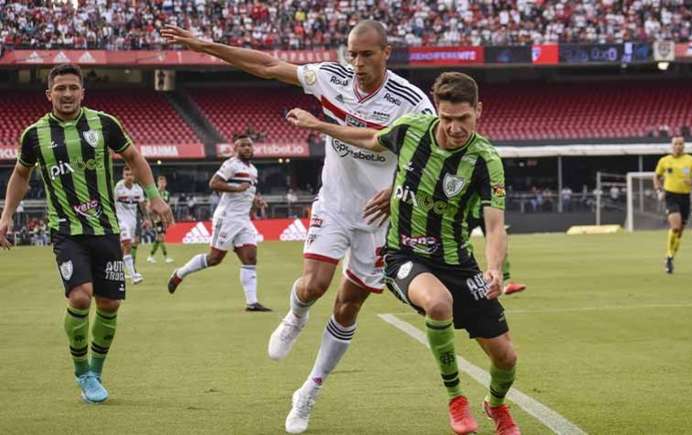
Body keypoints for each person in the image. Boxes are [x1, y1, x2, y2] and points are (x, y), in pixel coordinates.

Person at [163, 20, 436, 434]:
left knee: (348, 307)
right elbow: (269, 66)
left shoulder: (411, 102)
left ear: (386, 53)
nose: (357, 62)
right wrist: (206, 45)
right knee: (312, 286)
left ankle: (308, 390)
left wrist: (399, 187)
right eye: (352, 53)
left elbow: (432, 158)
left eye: (366, 54)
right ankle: (295, 316)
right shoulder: (331, 77)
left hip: (379, 218)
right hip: (335, 204)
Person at [287, 71, 520, 435]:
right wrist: (321, 125)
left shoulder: (486, 161)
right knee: (438, 303)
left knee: (506, 357)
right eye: (447, 119)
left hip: (458, 261)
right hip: (405, 256)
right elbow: (368, 138)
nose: (456, 128)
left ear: (479, 111)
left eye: (464, 119)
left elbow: (493, 226)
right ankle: (456, 398)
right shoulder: (412, 128)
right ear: (437, 112)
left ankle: (496, 405)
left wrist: (492, 269)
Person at [0, 63, 173, 403]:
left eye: (72, 88)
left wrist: (154, 197)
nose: (66, 94)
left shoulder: (104, 123)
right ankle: (82, 373)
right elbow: (21, 175)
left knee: (109, 304)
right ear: (49, 94)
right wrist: (6, 214)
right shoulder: (34, 135)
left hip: (106, 227)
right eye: (60, 88)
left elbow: (135, 157)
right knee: (80, 296)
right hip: (66, 230)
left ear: (83, 92)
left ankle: (95, 370)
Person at [168, 135, 271, 312]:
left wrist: (256, 201)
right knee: (214, 258)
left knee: (250, 257)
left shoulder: (253, 170)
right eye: (243, 145)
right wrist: (235, 188)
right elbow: (214, 183)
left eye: (250, 146)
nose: (247, 148)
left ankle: (252, 302)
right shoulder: (231, 165)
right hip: (227, 218)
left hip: (243, 220)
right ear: (235, 149)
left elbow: (247, 192)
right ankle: (180, 273)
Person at [653, 136, 692, 274]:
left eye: (681, 144)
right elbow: (656, 176)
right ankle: (669, 257)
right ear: (672, 145)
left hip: (685, 197)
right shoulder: (664, 161)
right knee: (675, 227)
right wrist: (659, 190)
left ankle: (670, 257)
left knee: (680, 233)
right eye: (676, 143)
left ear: (684, 145)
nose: (678, 146)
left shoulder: (691, 160)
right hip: (670, 196)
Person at [114, 166, 148, 284]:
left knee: (123, 247)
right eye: (126, 174)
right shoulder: (118, 187)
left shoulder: (138, 190)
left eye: (131, 174)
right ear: (123, 176)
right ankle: (134, 275)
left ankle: (116, 268)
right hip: (120, 220)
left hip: (132, 221)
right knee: (128, 245)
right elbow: (111, 203)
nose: (128, 177)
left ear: (134, 176)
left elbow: (142, 205)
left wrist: (146, 218)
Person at [147, 175, 174, 263]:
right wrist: (151, 218)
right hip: (157, 218)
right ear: (157, 183)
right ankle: (166, 257)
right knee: (161, 237)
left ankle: (151, 256)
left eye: (163, 182)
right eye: (160, 182)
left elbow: (168, 207)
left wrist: (171, 218)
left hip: (164, 219)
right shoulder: (155, 193)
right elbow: (149, 205)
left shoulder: (167, 194)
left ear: (165, 184)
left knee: (159, 238)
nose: (162, 184)